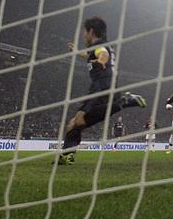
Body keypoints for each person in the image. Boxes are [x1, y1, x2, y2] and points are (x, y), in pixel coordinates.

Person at [55, 17, 146, 165]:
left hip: (100, 90)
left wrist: (101, 60)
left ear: (91, 31)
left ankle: (67, 154)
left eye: (85, 32)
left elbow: (102, 53)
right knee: (76, 123)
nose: (84, 35)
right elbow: (92, 53)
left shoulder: (99, 46)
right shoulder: (104, 45)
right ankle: (124, 101)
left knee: (76, 121)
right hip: (111, 90)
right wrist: (77, 52)